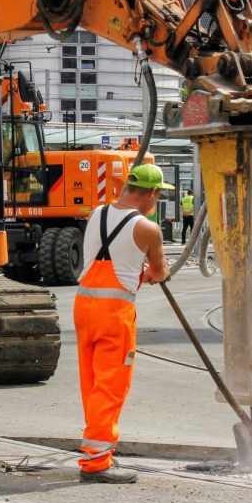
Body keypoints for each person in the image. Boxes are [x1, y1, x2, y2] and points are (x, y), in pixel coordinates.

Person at [75, 164, 171, 484]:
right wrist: (149, 271)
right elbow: (159, 273)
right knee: (111, 384)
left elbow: (113, 255)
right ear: (153, 193)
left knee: (91, 381)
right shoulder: (148, 229)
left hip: (84, 307)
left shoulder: (96, 214)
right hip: (114, 314)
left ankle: (95, 448)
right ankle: (97, 462)